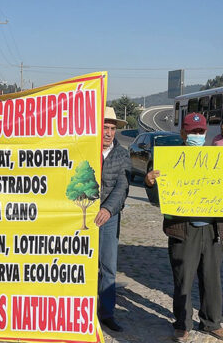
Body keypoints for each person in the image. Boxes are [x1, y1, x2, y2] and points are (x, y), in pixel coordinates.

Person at [145, 112, 223, 342]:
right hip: (182, 228)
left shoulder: (216, 159)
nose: (197, 135)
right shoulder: (169, 160)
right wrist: (150, 183)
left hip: (211, 229)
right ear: (183, 133)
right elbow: (157, 198)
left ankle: (211, 322)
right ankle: (182, 323)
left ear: (206, 132)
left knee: (211, 278)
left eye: (200, 132)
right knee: (183, 278)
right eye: (192, 131)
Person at [94, 106, 131, 332]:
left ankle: (106, 313)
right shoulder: (85, 148)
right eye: (105, 127)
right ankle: (82, 311)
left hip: (109, 217)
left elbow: (123, 186)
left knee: (108, 266)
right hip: (84, 215)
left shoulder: (122, 154)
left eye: (112, 128)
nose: (108, 132)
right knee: (83, 266)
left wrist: (108, 208)